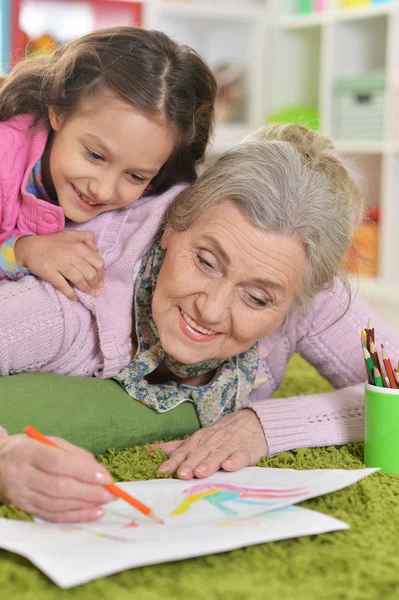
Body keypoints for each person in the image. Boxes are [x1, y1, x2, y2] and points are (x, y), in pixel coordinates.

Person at [0, 124, 398, 523]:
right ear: (174, 225)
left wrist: (263, 426)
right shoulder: (71, 302)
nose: (210, 310)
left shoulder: (297, 279)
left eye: (257, 298)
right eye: (206, 262)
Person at [0, 26, 216, 299]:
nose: (102, 190)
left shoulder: (160, 191)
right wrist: (22, 251)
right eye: (95, 155)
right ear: (59, 111)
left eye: (135, 176)